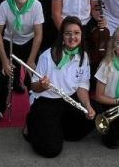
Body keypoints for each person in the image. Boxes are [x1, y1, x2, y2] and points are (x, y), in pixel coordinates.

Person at [25, 16, 96, 158]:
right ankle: (31, 124)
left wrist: (87, 106)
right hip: (46, 100)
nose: (72, 37)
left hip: (68, 98)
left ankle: (55, 126)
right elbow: (34, 87)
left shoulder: (84, 56)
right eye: (68, 33)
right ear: (62, 36)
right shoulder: (47, 56)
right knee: (51, 150)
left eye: (76, 33)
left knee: (90, 119)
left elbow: (82, 86)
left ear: (81, 35)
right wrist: (42, 85)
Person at [0, 0, 44, 124]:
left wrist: (32, 59)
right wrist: (5, 60)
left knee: (31, 78)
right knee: (5, 78)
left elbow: (39, 34)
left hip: (29, 43)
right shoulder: (4, 6)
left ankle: (36, 106)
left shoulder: (37, 5)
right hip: (10, 42)